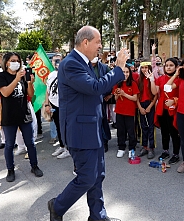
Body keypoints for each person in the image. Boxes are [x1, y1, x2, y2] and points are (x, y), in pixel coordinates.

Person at [47, 26, 127, 221]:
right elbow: (94, 87)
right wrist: (118, 68)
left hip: (92, 128)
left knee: (98, 176)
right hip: (80, 132)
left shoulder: (85, 63)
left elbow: (96, 90)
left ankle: (97, 216)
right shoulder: (71, 64)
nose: (100, 46)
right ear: (85, 42)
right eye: (98, 42)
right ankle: (57, 206)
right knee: (87, 178)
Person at [0, 52, 43, 182]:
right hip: (9, 117)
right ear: (6, 63)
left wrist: (29, 83)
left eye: (17, 60)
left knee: (31, 143)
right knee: (10, 145)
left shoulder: (22, 76)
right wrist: (16, 79)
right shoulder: (1, 76)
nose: (16, 62)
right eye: (12, 60)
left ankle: (34, 166)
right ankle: (10, 170)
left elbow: (30, 94)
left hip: (24, 115)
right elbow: (5, 93)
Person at [151, 58, 181, 164]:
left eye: (171, 65)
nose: (168, 67)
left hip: (175, 109)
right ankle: (165, 150)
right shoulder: (160, 78)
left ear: (176, 67)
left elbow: (169, 89)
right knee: (164, 132)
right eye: (166, 65)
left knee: (174, 132)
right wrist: (151, 80)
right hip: (162, 109)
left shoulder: (180, 79)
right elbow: (155, 92)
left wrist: (174, 101)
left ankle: (176, 153)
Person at [113, 65, 139, 158]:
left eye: (127, 72)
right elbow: (115, 98)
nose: (125, 74)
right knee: (120, 131)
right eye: (123, 72)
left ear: (130, 73)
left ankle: (132, 148)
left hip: (130, 112)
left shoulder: (133, 84)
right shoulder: (117, 84)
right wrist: (117, 94)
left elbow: (135, 98)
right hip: (119, 111)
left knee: (131, 131)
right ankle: (121, 148)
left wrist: (124, 94)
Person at [136, 61, 158, 159]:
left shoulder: (153, 79)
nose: (144, 70)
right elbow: (136, 95)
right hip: (141, 104)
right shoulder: (138, 80)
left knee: (151, 127)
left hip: (150, 104)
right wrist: (140, 107)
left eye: (146, 67)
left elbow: (155, 94)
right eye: (143, 68)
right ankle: (144, 146)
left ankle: (151, 147)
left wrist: (150, 106)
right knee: (143, 127)